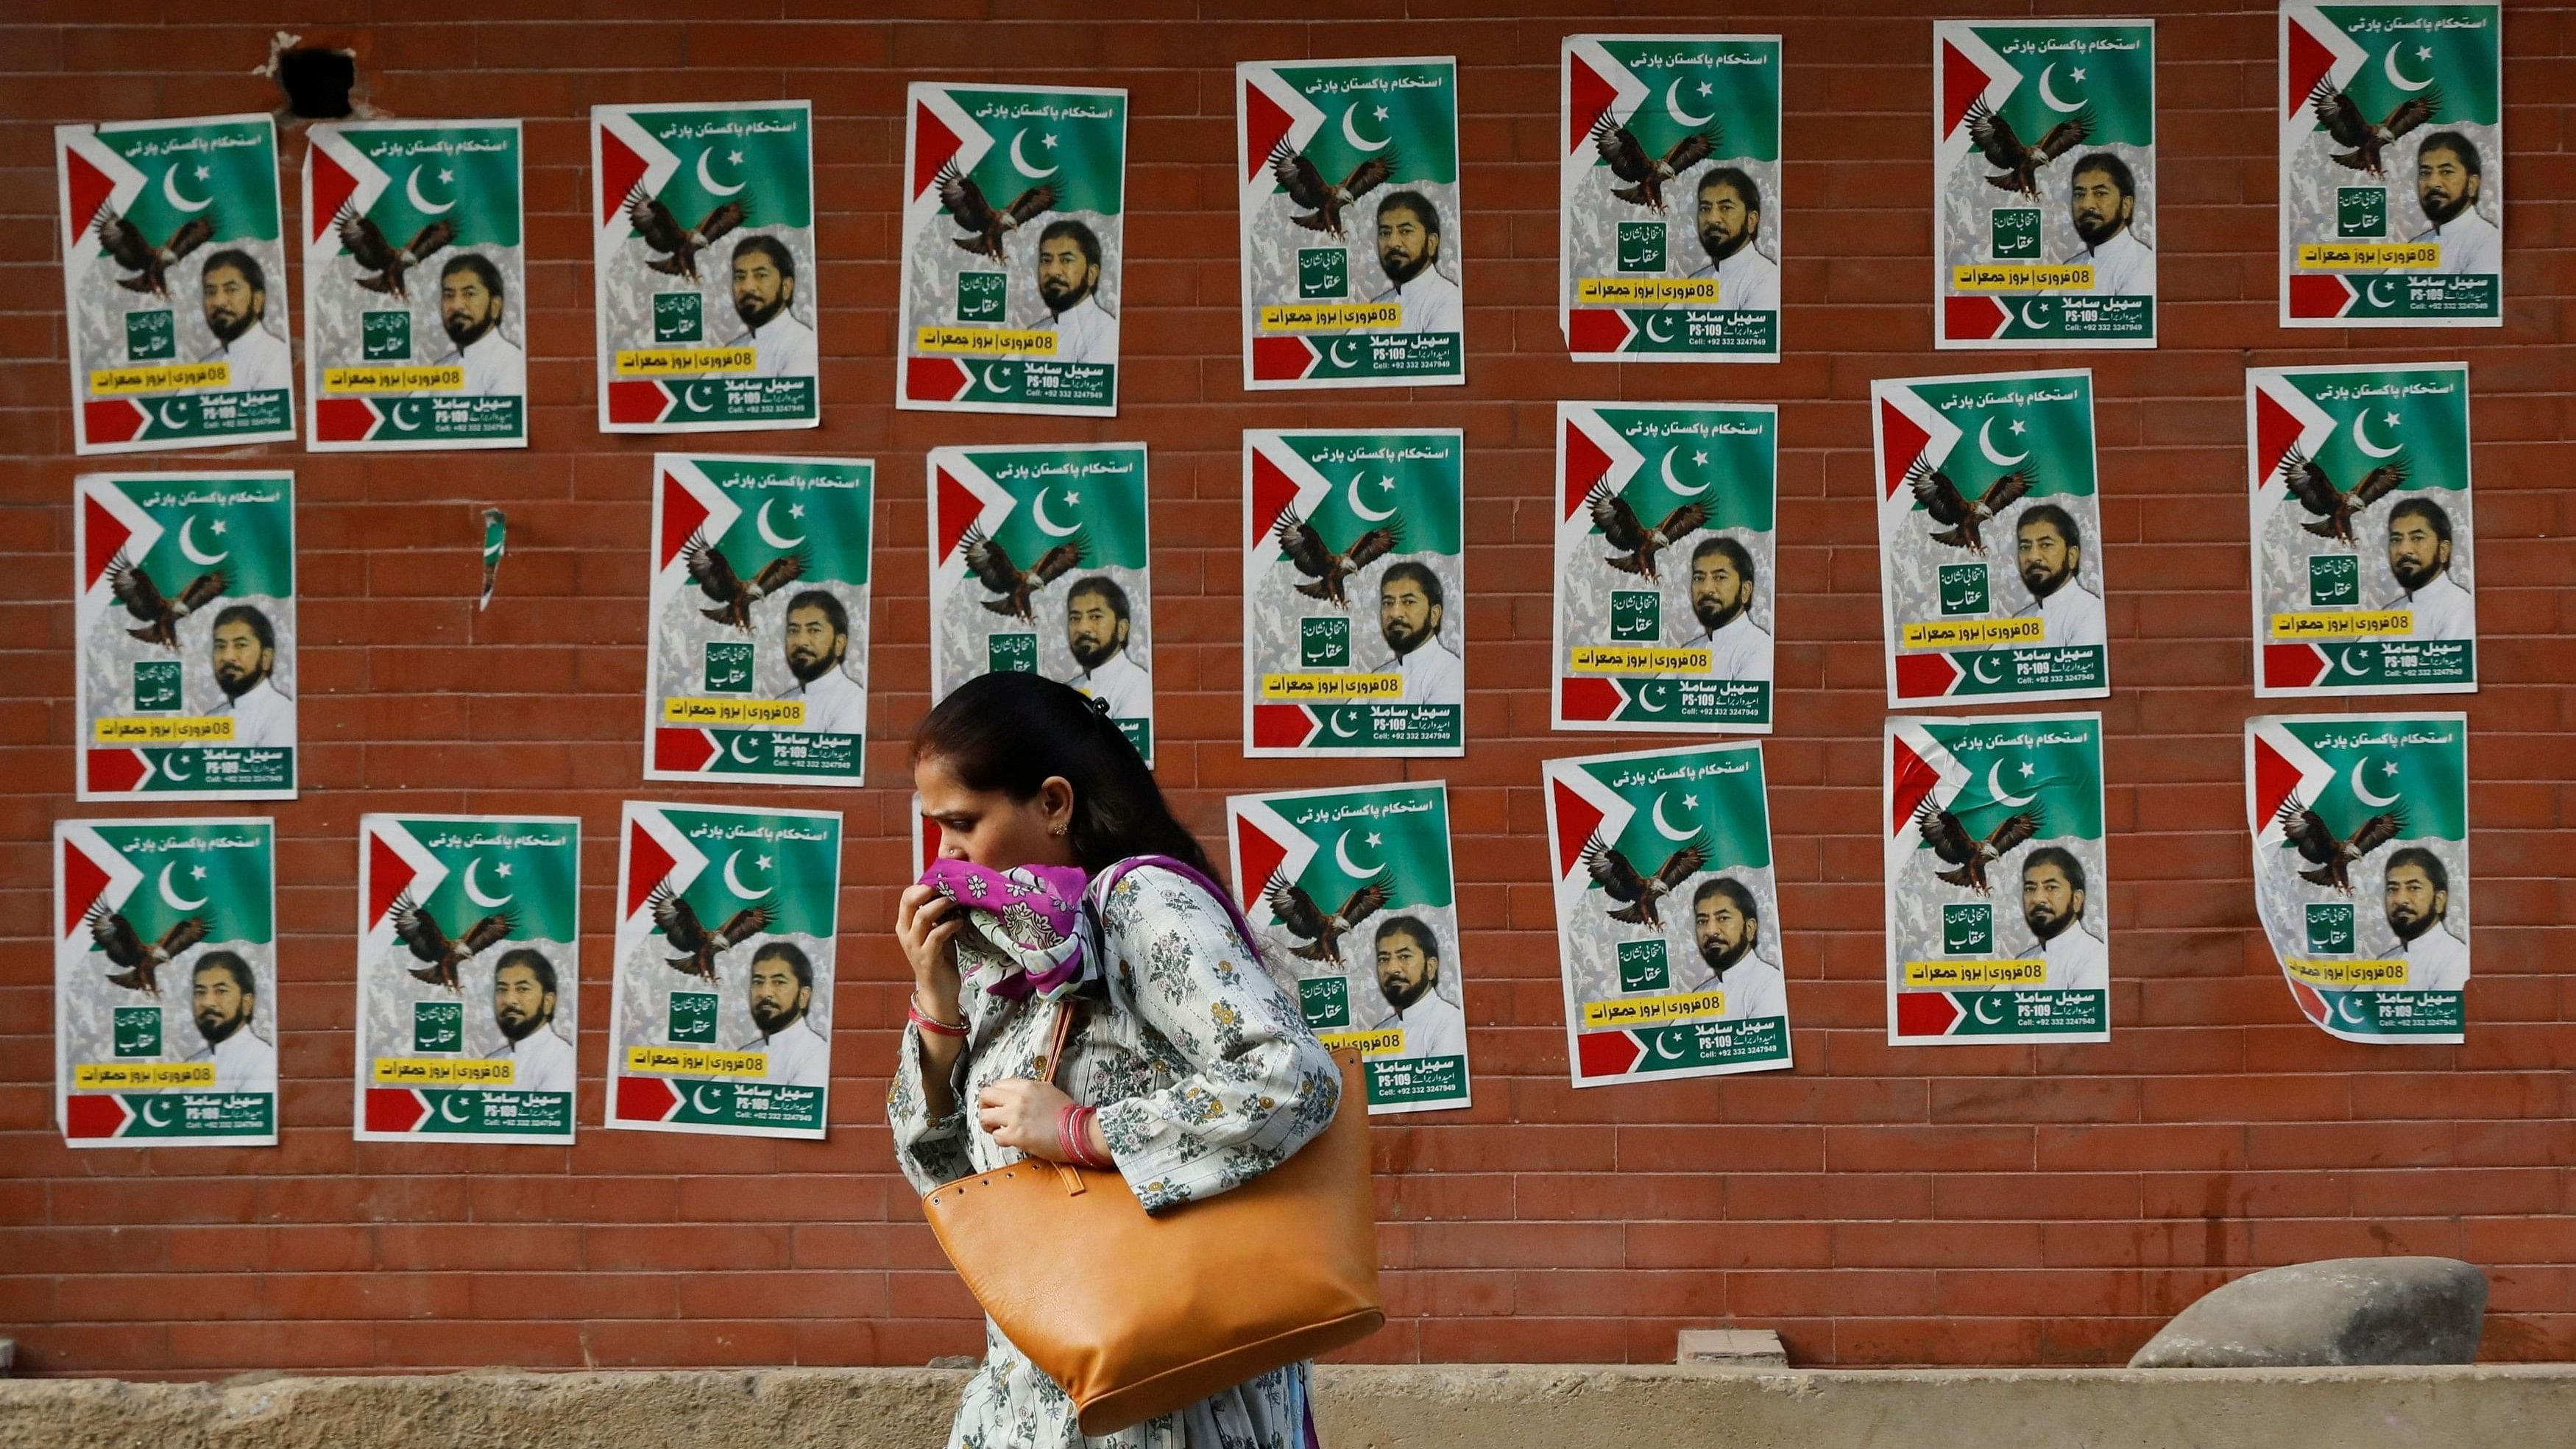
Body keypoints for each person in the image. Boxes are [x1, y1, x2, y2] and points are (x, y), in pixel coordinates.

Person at [894, 672, 1339, 1449]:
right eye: (934, 827)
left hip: (1166, 1390)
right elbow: (954, 1190)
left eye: (963, 821)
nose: (945, 853)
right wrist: (935, 1010)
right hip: (1033, 1397)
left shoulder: (1143, 904)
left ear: (1054, 802)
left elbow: (1292, 1076)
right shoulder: (999, 957)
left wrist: (1086, 1132)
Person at [1682, 876, 1786, 1021]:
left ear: (1750, 929)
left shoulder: (1770, 985)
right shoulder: (1699, 996)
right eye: (1702, 921)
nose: (1711, 931)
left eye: (1723, 918)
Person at [1367, 915, 1467, 1061]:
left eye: (1404, 957)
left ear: (1431, 967)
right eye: (1384, 959)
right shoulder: (1380, 1033)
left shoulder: (1449, 1022)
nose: (1392, 968)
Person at [1683, 167, 1780, 313]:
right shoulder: (1695, 283)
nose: (1712, 219)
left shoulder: (1767, 279)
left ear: (1751, 221)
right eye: (1705, 208)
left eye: (1726, 208)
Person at [1367, 191, 1461, 336]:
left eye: (1405, 231)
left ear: (1431, 243)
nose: (1392, 243)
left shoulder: (1448, 300)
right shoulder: (1377, 306)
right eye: (1385, 233)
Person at [774, 589, 866, 734]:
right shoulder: (782, 703)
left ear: (839, 643)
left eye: (814, 630)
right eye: (793, 630)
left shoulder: (852, 702)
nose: (801, 641)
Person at [2409, 132, 2499, 278]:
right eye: (2425, 173)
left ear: (2472, 185)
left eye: (2446, 172)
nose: (2433, 183)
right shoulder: (2417, 246)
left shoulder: (2488, 242)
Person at [199, 249, 290, 394]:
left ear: (258, 301)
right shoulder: (206, 365)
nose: (218, 301)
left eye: (231, 290)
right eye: (210, 292)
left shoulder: (276, 358)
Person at [2014, 505, 2106, 649]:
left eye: (2046, 545)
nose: (2033, 557)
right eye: (2025, 547)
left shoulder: (2090, 612)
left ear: (2072, 556)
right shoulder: (2021, 621)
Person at [2061, 153, 2151, 298]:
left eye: (2100, 193)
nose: (2086, 204)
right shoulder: (2071, 269)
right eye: (2079, 195)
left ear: (2126, 206)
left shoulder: (2142, 264)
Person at [741, 941, 829, 1089]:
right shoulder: (746, 1055)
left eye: (779, 982)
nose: (765, 993)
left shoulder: (815, 1054)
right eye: (758, 982)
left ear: (803, 996)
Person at [1685, 536, 1773, 682]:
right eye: (1699, 578)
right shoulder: (1688, 653)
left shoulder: (1760, 649)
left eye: (1720, 577)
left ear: (1745, 590)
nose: (1706, 589)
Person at [1062, 575, 1150, 721]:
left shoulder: (1137, 686)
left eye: (1096, 617)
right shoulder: (1069, 691)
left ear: (1122, 629)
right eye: (1075, 618)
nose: (1083, 628)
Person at [1374, 561, 1462, 706]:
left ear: (1434, 615)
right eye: (1388, 603)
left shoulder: (1450, 672)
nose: (1395, 613)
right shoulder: (1380, 677)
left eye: (1408, 602)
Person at [437, 253, 525, 399]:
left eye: (469, 294)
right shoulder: (441, 368)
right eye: (449, 295)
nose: (456, 305)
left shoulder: (510, 363)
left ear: (495, 306)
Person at [2384, 497, 2471, 641]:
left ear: (2443, 550)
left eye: (2417, 538)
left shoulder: (2460, 607)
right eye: (2396, 540)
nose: (2404, 550)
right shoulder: (2390, 613)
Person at [2020, 846, 2107, 992]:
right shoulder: (2023, 963)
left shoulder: (2094, 957)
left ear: (2077, 899)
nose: (2037, 898)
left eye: (2051, 887)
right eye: (2030, 889)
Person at [187, 951, 275, 1094]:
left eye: (221, 991)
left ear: (247, 1003)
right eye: (200, 992)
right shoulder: (193, 1064)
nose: (207, 1002)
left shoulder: (262, 1060)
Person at [2383, 846, 2468, 992]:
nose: (2400, 899)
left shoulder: (2457, 959)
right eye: (2393, 889)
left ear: (2439, 900)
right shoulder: (2385, 962)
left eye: (2414, 888)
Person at [208, 603, 293, 748]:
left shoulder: (282, 714)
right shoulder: (213, 718)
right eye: (221, 646)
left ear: (266, 657)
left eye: (240, 645)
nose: (228, 657)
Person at [732, 235, 815, 380]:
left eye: (761, 275)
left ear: (786, 287)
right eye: (740, 277)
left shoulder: (802, 345)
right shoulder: (733, 351)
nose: (748, 287)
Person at [1034, 219, 1117, 364]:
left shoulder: (1106, 332)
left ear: (1091, 274)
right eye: (1046, 260)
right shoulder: (1035, 333)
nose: (1053, 271)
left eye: (1066, 260)